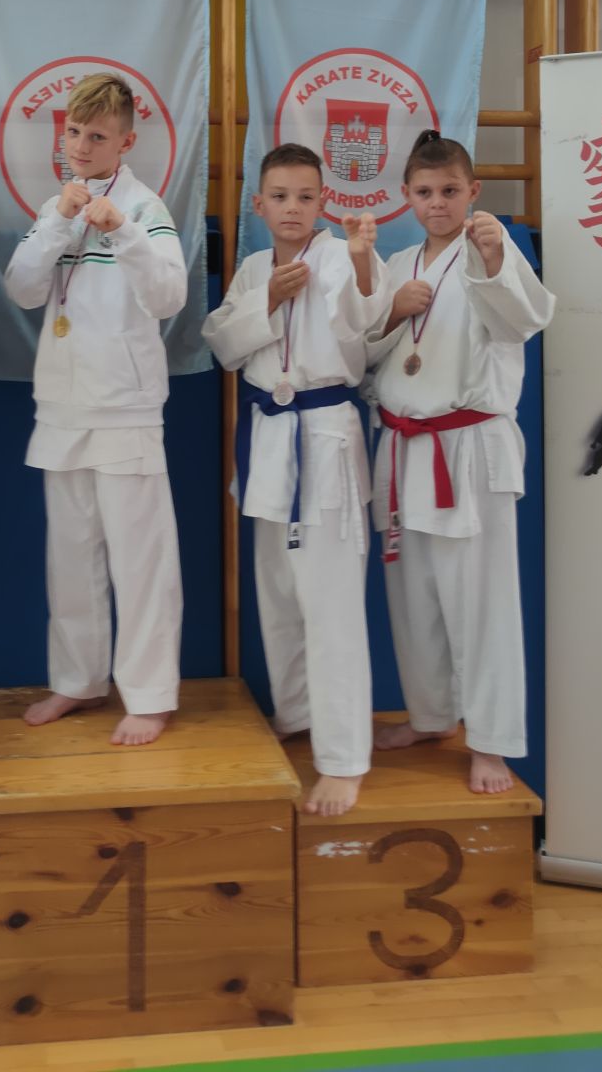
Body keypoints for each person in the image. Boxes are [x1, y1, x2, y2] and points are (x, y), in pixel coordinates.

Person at [366, 129, 554, 795]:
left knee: (480, 602)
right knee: (413, 597)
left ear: (473, 191)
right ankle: (431, 716)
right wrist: (391, 314)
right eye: (425, 192)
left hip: (467, 451)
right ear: (406, 196)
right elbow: (361, 358)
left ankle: (492, 743)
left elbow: (523, 323)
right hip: (403, 450)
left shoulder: (492, 251)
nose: (438, 203)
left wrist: (496, 259)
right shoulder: (397, 264)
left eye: (450, 190)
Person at [202, 143, 387, 815]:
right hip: (269, 440)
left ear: (322, 204)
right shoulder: (254, 269)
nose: (292, 208)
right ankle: (298, 711)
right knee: (278, 592)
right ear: (259, 204)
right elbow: (222, 344)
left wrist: (363, 257)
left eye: (306, 197)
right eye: (279, 197)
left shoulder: (339, 258)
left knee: (330, 603)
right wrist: (268, 302)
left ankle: (344, 758)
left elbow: (368, 323)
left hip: (324, 440)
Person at [4, 73, 187, 746]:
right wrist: (58, 222)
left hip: (125, 408)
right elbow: (22, 290)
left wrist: (124, 234)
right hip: (62, 407)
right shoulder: (54, 206)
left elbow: (169, 296)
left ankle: (150, 693)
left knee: (141, 561)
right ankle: (78, 679)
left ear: (126, 142)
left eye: (98, 136)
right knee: (71, 558)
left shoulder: (146, 207)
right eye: (74, 132)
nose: (81, 146)